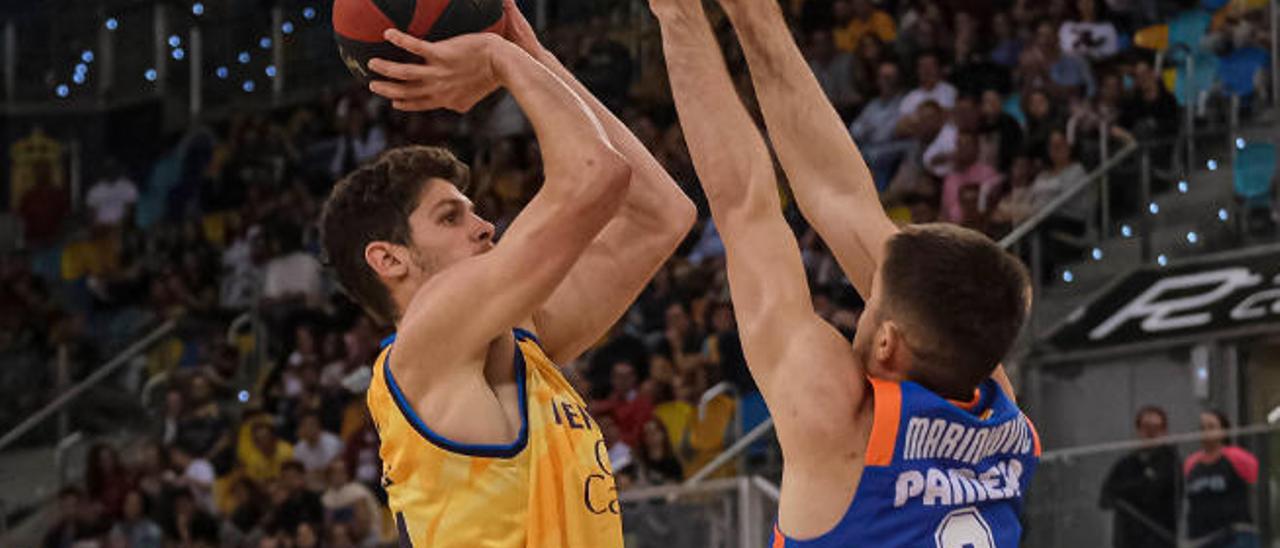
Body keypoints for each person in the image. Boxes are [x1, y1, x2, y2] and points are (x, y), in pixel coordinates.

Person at [650, 1, 1039, 547]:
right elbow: (839, 198)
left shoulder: (838, 420)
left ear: (886, 341)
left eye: (870, 295)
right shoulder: (1001, 411)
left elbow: (745, 205)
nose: (862, 290)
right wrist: (756, 16)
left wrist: (678, 16)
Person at [321, 0, 695, 544]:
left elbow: (662, 216)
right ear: (389, 259)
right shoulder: (425, 341)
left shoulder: (524, 338)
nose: (486, 226)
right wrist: (498, 57)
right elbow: (596, 175)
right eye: (451, 217)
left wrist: (533, 56)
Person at [1099, 406, 1180, 548]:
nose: (1151, 433)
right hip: (1127, 541)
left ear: (1164, 431)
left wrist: (1125, 492)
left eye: (1156, 428)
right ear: (1138, 430)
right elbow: (1105, 499)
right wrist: (1143, 482)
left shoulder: (1170, 462)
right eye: (1146, 427)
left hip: (1159, 539)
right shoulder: (1125, 464)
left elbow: (1152, 493)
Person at [1184, 410, 1260, 548]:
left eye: (1211, 427)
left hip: (1235, 535)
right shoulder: (1191, 463)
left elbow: (1254, 478)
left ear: (1223, 430)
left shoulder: (1237, 457)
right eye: (1202, 428)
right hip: (1202, 537)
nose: (1206, 432)